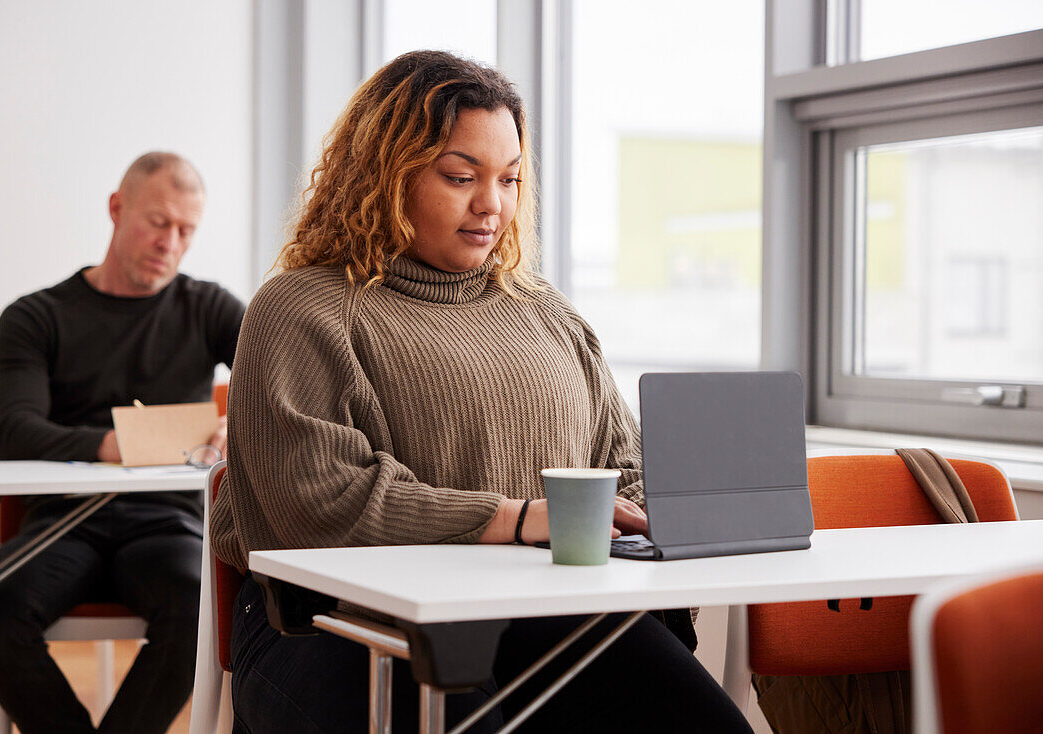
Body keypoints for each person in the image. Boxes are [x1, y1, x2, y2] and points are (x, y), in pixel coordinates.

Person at [211, 51, 752, 733]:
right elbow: (319, 506)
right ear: (385, 174)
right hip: (329, 627)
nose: (491, 204)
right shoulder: (301, 309)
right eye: (461, 176)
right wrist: (518, 518)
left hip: (541, 616)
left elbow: (624, 465)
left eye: (510, 178)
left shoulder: (545, 311)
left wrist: (675, 516)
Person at [0, 152, 245, 734]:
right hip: (63, 521)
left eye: (186, 231)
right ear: (116, 209)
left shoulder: (210, 308)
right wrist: (122, 444)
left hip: (168, 523)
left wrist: (236, 425)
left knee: (205, 611)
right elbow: (18, 432)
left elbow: (282, 379)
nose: (170, 242)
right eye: (158, 222)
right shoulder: (35, 317)